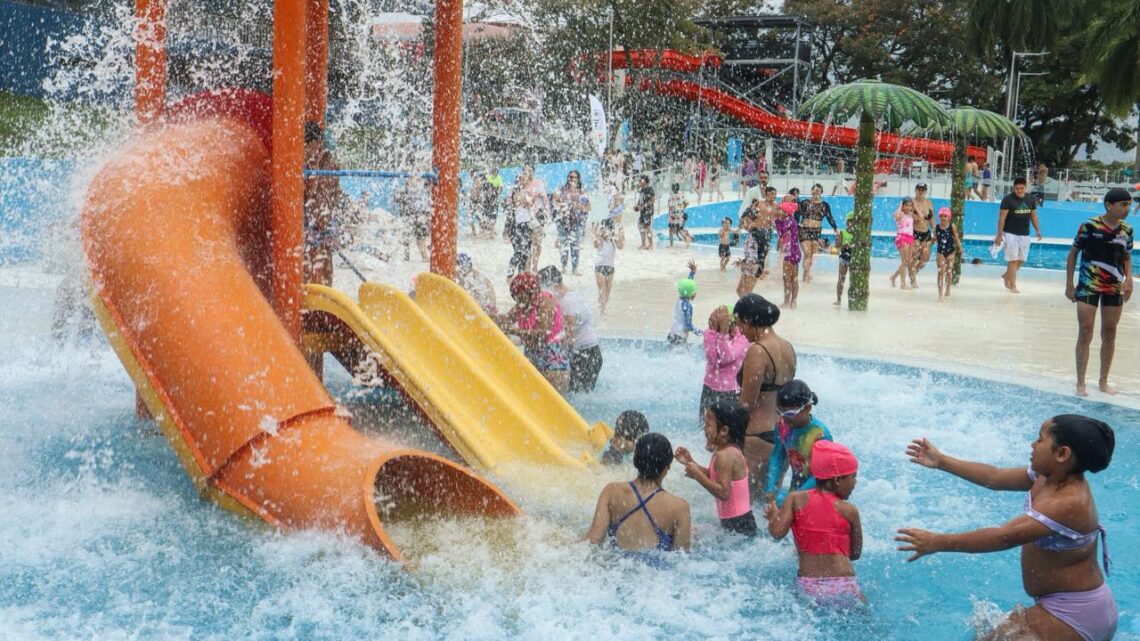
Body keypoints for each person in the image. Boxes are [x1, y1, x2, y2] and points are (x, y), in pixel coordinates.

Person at [896, 416, 1116, 641]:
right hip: (1069, 607)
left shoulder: (1068, 501)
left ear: (1062, 454)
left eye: (1040, 440)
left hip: (1074, 615)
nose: (1032, 444)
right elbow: (995, 477)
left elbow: (1003, 537)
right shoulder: (1047, 477)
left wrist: (938, 542)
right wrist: (943, 461)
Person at [764, 440, 863, 608]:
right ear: (838, 479)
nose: (855, 483)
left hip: (809, 586)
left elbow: (777, 533)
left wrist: (774, 517)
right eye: (853, 477)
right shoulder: (850, 510)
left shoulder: (795, 499)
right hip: (843, 585)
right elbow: (854, 554)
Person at [1065, 188, 1134, 397]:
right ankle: (1080, 382)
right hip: (1088, 285)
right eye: (1123, 205)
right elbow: (1073, 255)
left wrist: (1129, 278)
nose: (1127, 209)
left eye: (1129, 205)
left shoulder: (1127, 230)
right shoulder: (1089, 226)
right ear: (1109, 205)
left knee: (1110, 334)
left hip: (1114, 287)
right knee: (1085, 332)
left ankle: (1103, 381)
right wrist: (1070, 284)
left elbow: (1127, 257)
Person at [734, 293, 796, 495]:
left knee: (745, 505)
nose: (741, 332)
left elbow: (746, 404)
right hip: (784, 434)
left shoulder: (758, 351)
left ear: (750, 321)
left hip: (757, 435)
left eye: (740, 324)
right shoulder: (788, 347)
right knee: (768, 503)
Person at [586, 433, 692, 552]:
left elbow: (593, 540)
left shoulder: (611, 491)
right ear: (668, 467)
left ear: (635, 460)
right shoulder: (679, 507)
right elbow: (681, 556)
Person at [675, 401, 757, 537]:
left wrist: (696, 475)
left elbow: (724, 493)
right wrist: (690, 462)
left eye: (708, 425)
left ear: (724, 430)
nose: (704, 429)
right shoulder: (722, 450)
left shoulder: (726, 455)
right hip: (737, 523)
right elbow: (712, 476)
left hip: (739, 525)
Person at [496, 272, 569, 391]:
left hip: (552, 358)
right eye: (515, 297)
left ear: (531, 293)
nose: (517, 301)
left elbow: (542, 334)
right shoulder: (523, 303)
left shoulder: (546, 302)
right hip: (533, 355)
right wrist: (487, 316)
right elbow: (505, 320)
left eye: (519, 296)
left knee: (551, 401)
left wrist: (513, 331)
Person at [764, 380, 833, 502]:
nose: (784, 417)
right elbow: (778, 455)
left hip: (818, 493)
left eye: (790, 413)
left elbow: (821, 475)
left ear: (807, 408)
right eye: (780, 412)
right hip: (796, 487)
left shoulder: (820, 434)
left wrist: (795, 496)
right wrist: (771, 488)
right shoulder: (782, 425)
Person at [539, 266, 603, 392]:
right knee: (583, 395)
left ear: (552, 285)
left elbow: (569, 336)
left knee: (575, 396)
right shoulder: (574, 294)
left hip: (585, 356)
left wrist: (553, 355)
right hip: (592, 352)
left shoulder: (566, 302)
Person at [302, 122, 344, 285]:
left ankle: (327, 288)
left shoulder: (327, 162)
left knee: (325, 255)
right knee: (307, 256)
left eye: (308, 147)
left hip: (322, 214)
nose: (306, 151)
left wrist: (322, 215)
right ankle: (306, 288)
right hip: (309, 216)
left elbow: (330, 194)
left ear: (316, 143)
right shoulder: (305, 162)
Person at [699, 304, 750, 422]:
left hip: (730, 391)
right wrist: (712, 331)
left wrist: (723, 333)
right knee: (705, 426)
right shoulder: (712, 334)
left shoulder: (742, 339)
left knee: (727, 428)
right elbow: (713, 358)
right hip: (709, 388)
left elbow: (726, 357)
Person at [995, 177, 1043, 294]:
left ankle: (1007, 275)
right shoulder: (1007, 200)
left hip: (1025, 234)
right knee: (1013, 260)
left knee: (1022, 259)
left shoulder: (1030, 199)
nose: (1019, 190)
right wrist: (999, 235)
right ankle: (1013, 285)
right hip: (1010, 233)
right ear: (1013, 188)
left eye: (1022, 188)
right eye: (1017, 188)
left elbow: (1034, 216)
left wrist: (1038, 230)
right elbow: (1002, 218)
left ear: (1025, 188)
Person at [796, 184, 837, 284]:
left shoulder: (825, 205)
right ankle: (805, 276)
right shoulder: (804, 203)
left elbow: (829, 217)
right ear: (811, 192)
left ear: (821, 193)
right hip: (804, 230)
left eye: (817, 191)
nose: (815, 193)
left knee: (811, 254)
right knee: (807, 253)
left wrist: (834, 227)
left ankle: (806, 273)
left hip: (816, 231)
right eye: (814, 191)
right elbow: (796, 215)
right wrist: (797, 226)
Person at [552, 170, 590, 274]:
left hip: (576, 220)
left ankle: (574, 268)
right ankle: (564, 266)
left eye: (574, 177)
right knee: (563, 244)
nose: (572, 179)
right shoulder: (562, 189)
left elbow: (588, 207)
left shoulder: (582, 191)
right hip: (563, 220)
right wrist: (557, 200)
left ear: (578, 179)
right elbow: (555, 200)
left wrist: (579, 206)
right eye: (570, 177)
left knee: (575, 244)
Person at [504, 175, 534, 277]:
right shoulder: (513, 192)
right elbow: (509, 212)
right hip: (515, 227)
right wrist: (506, 230)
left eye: (524, 179)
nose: (522, 181)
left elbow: (533, 207)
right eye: (520, 179)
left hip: (527, 226)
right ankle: (510, 275)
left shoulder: (528, 194)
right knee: (518, 252)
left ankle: (520, 276)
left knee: (525, 254)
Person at [397, 175, 432, 263]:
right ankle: (406, 255)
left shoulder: (421, 189)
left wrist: (426, 214)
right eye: (412, 179)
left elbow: (425, 202)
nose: (415, 181)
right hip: (409, 215)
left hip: (418, 214)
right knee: (407, 237)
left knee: (420, 236)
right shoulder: (405, 190)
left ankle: (424, 256)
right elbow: (397, 199)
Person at [667, 260, 702, 344]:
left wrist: (692, 273)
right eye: (695, 290)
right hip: (680, 337)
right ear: (692, 293)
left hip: (672, 334)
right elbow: (688, 325)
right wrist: (701, 333)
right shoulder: (687, 306)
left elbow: (686, 287)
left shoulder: (679, 299)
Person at [593, 217, 622, 315]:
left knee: (607, 292)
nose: (606, 231)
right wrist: (598, 235)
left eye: (608, 229)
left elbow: (621, 246)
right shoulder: (600, 238)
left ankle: (602, 305)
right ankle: (603, 310)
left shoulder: (613, 239)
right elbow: (596, 245)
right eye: (603, 228)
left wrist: (618, 235)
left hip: (610, 268)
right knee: (603, 290)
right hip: (600, 266)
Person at [775, 201, 801, 308]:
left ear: (786, 212)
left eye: (780, 210)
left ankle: (789, 301)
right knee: (791, 278)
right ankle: (791, 301)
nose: (778, 212)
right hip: (792, 252)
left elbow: (784, 234)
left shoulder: (789, 222)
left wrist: (777, 220)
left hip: (791, 253)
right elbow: (782, 235)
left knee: (789, 278)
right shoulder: (789, 221)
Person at [934, 207, 964, 302]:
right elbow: (934, 238)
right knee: (941, 272)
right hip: (940, 252)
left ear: (949, 217)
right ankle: (940, 294)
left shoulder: (952, 227)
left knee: (949, 271)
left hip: (951, 252)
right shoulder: (937, 227)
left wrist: (960, 247)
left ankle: (948, 289)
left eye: (945, 216)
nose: (943, 218)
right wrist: (928, 246)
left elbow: (956, 238)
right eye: (941, 216)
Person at [889, 197, 917, 290]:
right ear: (903, 206)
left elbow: (920, 218)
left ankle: (893, 277)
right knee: (904, 261)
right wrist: (900, 206)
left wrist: (914, 207)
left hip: (910, 237)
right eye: (906, 205)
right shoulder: (900, 213)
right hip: (902, 237)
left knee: (907, 261)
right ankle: (902, 283)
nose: (908, 207)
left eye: (910, 205)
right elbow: (897, 216)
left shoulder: (910, 215)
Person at [911, 183, 935, 281]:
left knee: (925, 259)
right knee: (914, 257)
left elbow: (932, 220)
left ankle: (913, 274)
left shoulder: (929, 203)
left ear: (925, 191)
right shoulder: (911, 202)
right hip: (915, 232)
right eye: (919, 189)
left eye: (923, 190)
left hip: (926, 233)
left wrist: (935, 231)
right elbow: (905, 216)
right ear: (915, 190)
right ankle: (912, 279)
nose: (920, 192)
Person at [834, 219, 854, 306]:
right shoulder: (843, 232)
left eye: (853, 221)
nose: (852, 223)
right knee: (841, 279)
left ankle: (852, 299)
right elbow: (837, 246)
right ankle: (838, 299)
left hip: (854, 257)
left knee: (853, 280)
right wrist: (843, 244)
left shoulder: (857, 233)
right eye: (850, 221)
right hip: (844, 257)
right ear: (846, 223)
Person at [666, 183, 692, 248]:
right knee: (680, 229)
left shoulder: (671, 197)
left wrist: (669, 215)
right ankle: (687, 240)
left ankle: (671, 244)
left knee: (671, 230)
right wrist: (682, 208)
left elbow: (669, 207)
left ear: (672, 189)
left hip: (673, 216)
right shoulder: (681, 196)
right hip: (679, 215)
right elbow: (687, 203)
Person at [634, 175, 656, 250]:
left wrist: (644, 206)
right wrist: (637, 206)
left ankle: (650, 244)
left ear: (645, 181)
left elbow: (652, 200)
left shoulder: (649, 189)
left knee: (647, 227)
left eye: (641, 180)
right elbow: (640, 200)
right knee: (640, 226)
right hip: (643, 212)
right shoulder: (642, 190)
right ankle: (643, 244)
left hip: (648, 211)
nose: (640, 181)